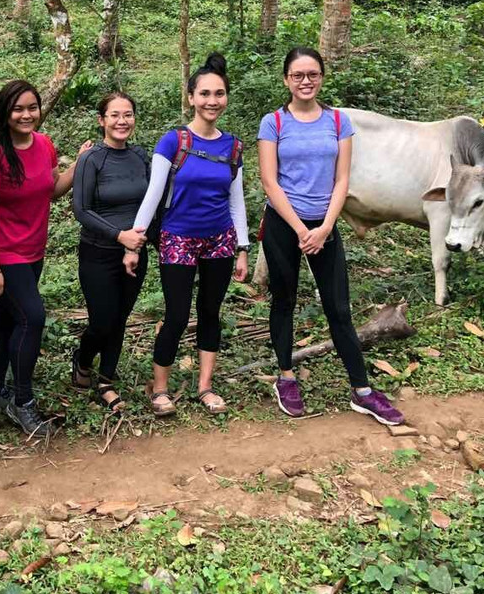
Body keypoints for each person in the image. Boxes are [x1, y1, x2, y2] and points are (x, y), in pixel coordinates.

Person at [257, 47, 404, 426]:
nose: (305, 81)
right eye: (297, 75)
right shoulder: (273, 122)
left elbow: (342, 179)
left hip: (325, 226)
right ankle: (286, 376)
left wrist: (323, 228)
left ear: (322, 77)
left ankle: (363, 390)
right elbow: (270, 181)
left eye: (313, 74)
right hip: (283, 225)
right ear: (286, 79)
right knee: (284, 300)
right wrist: (301, 229)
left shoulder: (338, 122)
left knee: (338, 307)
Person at [0, 80, 90, 438]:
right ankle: (21, 402)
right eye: (18, 109)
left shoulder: (44, 145)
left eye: (32, 107)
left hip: (32, 249)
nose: (26, 115)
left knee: (7, 317)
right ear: (5, 114)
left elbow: (50, 190)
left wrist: (79, 164)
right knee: (32, 318)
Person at [132, 54, 249, 418]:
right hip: (177, 237)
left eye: (219, 93)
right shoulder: (174, 141)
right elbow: (153, 194)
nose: (212, 101)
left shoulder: (233, 147)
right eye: (205, 94)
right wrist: (135, 241)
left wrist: (243, 247)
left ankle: (205, 386)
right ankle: (161, 388)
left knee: (210, 312)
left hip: (220, 240)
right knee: (178, 314)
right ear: (191, 97)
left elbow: (236, 201)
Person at [70, 92, 150, 412]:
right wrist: (121, 237)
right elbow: (82, 209)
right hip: (99, 252)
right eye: (114, 115)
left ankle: (106, 380)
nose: (122, 121)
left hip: (135, 253)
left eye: (127, 114)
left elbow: (151, 203)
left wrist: (138, 243)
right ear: (102, 120)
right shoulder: (92, 159)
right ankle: (83, 358)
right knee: (102, 321)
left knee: (120, 319)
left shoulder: (141, 156)